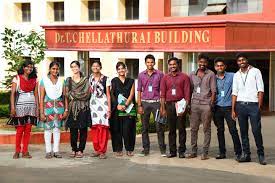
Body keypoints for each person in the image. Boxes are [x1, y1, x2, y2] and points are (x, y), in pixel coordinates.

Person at [232, 53, 266, 165]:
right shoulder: (236, 75)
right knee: (243, 131)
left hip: (253, 105)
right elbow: (234, 92)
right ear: (237, 62)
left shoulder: (256, 71)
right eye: (239, 60)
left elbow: (260, 89)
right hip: (240, 105)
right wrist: (233, 109)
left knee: (256, 130)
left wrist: (259, 106)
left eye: (243, 60)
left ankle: (261, 155)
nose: (241, 62)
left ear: (247, 60)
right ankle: (246, 155)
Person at [160, 57, 190, 158]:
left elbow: (187, 94)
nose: (172, 66)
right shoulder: (165, 77)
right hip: (169, 105)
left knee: (181, 129)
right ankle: (172, 151)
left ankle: (181, 151)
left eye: (174, 64)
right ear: (169, 66)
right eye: (171, 64)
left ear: (178, 65)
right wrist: (163, 108)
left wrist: (185, 107)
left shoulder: (184, 77)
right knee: (171, 129)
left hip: (180, 104)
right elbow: (162, 94)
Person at [188, 53, 216, 160]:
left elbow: (213, 91)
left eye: (204, 62)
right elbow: (190, 90)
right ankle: (193, 151)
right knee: (193, 129)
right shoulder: (192, 74)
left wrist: (211, 105)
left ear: (207, 63)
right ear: (198, 62)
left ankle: (205, 152)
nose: (202, 64)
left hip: (206, 105)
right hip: (194, 104)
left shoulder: (211, 74)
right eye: (200, 62)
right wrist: (189, 104)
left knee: (206, 129)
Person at [37, 61, 68, 159]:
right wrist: (41, 112)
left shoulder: (62, 81)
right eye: (53, 69)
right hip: (47, 108)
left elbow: (65, 97)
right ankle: (48, 151)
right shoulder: (44, 81)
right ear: (50, 69)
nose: (55, 70)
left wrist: (66, 110)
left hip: (59, 108)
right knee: (47, 130)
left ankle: (56, 151)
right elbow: (41, 97)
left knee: (57, 129)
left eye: (57, 69)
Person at [213, 57, 242, 160]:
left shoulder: (232, 76)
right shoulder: (213, 78)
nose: (220, 67)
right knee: (219, 130)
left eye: (221, 65)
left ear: (225, 66)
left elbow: (242, 73)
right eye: (218, 66)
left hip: (229, 107)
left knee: (233, 130)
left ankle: (238, 153)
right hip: (217, 108)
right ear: (215, 67)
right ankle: (222, 152)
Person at [137, 54, 166, 157]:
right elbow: (139, 91)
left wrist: (162, 106)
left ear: (154, 63)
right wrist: (139, 105)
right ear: (145, 63)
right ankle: (146, 149)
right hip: (145, 103)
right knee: (145, 128)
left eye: (151, 62)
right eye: (148, 62)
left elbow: (163, 90)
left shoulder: (160, 74)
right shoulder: (141, 75)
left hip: (157, 103)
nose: (150, 64)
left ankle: (163, 149)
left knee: (159, 127)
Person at [9, 60, 39, 159]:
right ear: (23, 68)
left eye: (31, 67)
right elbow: (12, 94)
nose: (29, 69)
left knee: (28, 130)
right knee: (20, 129)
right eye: (28, 67)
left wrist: (37, 108)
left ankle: (25, 151)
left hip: (31, 107)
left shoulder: (35, 79)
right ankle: (17, 151)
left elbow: (36, 94)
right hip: (20, 107)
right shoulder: (16, 78)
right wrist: (13, 108)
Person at [110, 62, 136, 157]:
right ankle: (118, 149)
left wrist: (126, 104)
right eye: (119, 69)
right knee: (116, 129)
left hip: (129, 108)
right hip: (117, 109)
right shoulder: (114, 81)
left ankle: (129, 149)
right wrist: (117, 105)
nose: (121, 70)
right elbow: (112, 94)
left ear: (126, 69)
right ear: (117, 70)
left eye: (123, 68)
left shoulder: (131, 81)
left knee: (128, 129)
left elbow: (132, 94)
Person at [65, 61, 91, 158]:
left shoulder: (85, 80)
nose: (74, 68)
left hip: (83, 107)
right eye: (72, 67)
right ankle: (74, 149)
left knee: (83, 129)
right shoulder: (68, 80)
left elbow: (87, 94)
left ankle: (81, 150)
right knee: (73, 129)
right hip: (72, 108)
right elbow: (66, 94)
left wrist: (73, 94)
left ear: (79, 67)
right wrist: (74, 95)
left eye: (76, 66)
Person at [89, 60, 111, 159]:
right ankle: (97, 150)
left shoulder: (106, 79)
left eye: (97, 66)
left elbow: (108, 94)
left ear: (100, 67)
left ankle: (102, 151)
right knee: (94, 128)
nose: (95, 68)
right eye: (94, 66)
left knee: (103, 128)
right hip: (93, 105)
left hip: (103, 105)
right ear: (91, 68)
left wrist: (109, 109)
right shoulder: (89, 79)